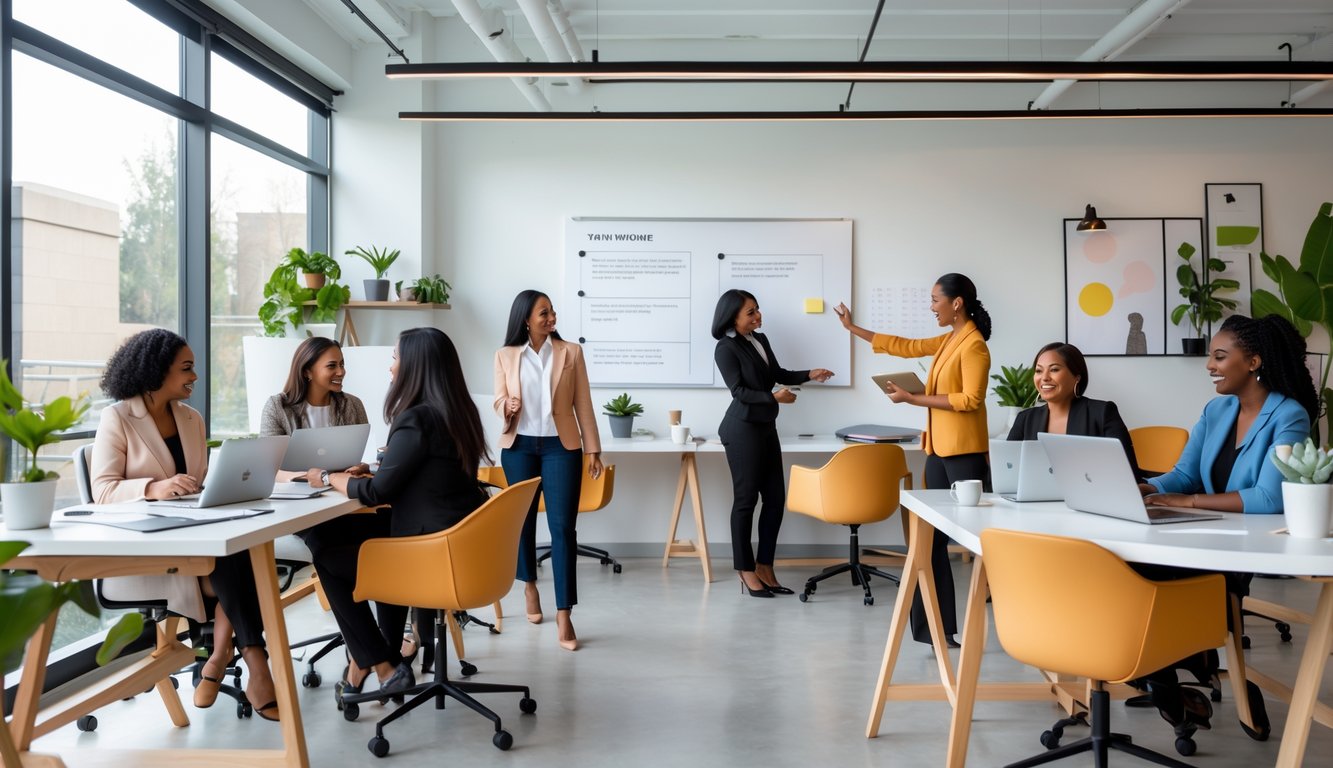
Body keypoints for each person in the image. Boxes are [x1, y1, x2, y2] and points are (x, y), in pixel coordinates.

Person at [1134, 313, 1316, 737]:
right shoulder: (1217, 410)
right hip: (1195, 535)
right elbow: (1181, 475)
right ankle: (1183, 674)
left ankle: (1177, 680)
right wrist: (1144, 487)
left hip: (1237, 550)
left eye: (1220, 356)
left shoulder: (1289, 417)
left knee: (1143, 576)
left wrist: (1188, 501)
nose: (1209, 365)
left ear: (1253, 362)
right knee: (1122, 570)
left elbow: (1270, 498)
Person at [91, 329, 281, 722]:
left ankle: (220, 656)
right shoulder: (118, 418)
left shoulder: (191, 419)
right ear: (157, 371)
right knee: (243, 563)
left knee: (237, 549)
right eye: (187, 368)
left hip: (200, 540)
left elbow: (202, 480)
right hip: (152, 552)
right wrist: (155, 488)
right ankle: (251, 661)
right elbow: (103, 493)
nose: (195, 376)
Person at [316, 327, 491, 709]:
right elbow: (425, 476)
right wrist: (377, 470)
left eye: (394, 358)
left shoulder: (416, 418)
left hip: (428, 550)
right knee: (352, 538)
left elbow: (379, 494)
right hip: (457, 541)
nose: (390, 367)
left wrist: (330, 478)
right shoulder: (459, 413)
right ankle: (376, 660)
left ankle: (380, 661)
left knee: (328, 558)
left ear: (414, 366)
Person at [835, 273, 991, 646]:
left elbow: (971, 400)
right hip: (937, 451)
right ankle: (935, 630)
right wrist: (853, 328)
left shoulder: (974, 346)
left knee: (983, 543)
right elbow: (906, 346)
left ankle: (1022, 605)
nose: (931, 306)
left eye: (935, 299)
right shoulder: (951, 339)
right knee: (929, 542)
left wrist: (913, 399)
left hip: (964, 455)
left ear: (956, 303)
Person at [493, 290, 602, 651]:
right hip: (519, 447)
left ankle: (564, 612)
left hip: (561, 447)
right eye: (544, 313)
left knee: (563, 529)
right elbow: (497, 400)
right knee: (521, 523)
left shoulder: (571, 352)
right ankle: (528, 586)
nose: (551, 317)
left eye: (552, 311)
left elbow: (582, 401)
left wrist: (593, 449)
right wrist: (506, 406)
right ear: (526, 318)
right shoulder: (506, 355)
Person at [712, 289, 834, 598]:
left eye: (757, 309)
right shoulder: (725, 348)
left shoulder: (761, 340)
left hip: (766, 427)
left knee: (776, 499)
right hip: (741, 430)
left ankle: (765, 565)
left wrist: (809, 374)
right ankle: (745, 569)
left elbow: (777, 374)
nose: (758, 316)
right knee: (745, 502)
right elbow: (738, 391)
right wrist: (773, 396)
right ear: (733, 317)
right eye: (750, 312)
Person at [1006, 341, 1139, 472]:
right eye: (1039, 371)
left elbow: (1128, 472)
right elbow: (1006, 468)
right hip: (1035, 493)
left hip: (1091, 492)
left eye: (1054, 369)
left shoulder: (1103, 413)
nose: (1044, 377)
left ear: (1076, 377)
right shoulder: (1025, 419)